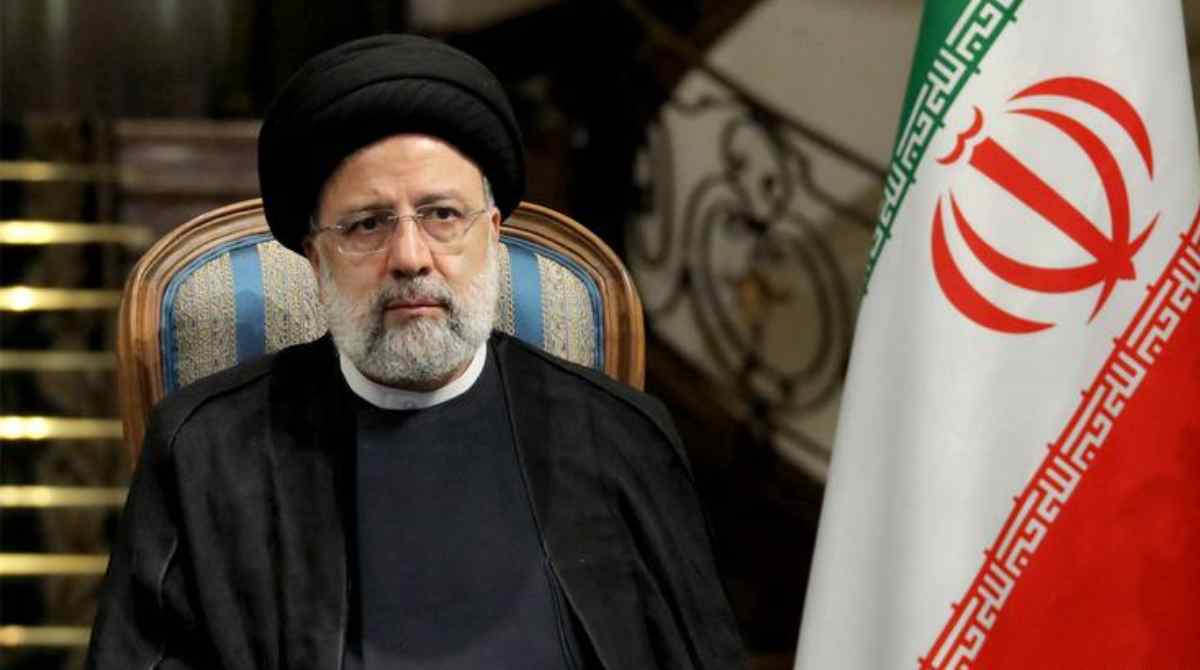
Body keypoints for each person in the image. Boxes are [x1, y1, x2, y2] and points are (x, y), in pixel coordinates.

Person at [86, 34, 746, 670]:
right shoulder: (206, 453)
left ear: (492, 235)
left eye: (442, 215)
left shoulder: (621, 436)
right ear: (316, 259)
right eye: (367, 224)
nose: (409, 257)